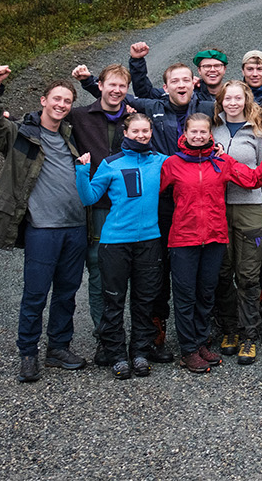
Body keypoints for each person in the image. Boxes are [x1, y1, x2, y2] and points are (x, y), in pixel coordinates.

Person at [0, 66, 90, 382]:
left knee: (67, 292)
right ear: (43, 100)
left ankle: (58, 348)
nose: (62, 105)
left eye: (67, 101)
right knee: (35, 294)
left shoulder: (70, 136)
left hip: (75, 227)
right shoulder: (21, 134)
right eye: (57, 99)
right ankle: (28, 354)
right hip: (43, 229)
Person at [159, 113, 262, 373]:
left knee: (205, 294)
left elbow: (253, 180)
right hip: (183, 239)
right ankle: (188, 350)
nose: (199, 136)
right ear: (186, 133)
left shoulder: (222, 161)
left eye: (204, 132)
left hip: (214, 237)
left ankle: (201, 343)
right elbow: (154, 194)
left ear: (210, 135)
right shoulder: (172, 164)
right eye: (194, 132)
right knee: (185, 297)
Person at [74, 112, 167, 379]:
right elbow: (88, 196)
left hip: (149, 240)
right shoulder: (110, 164)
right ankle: (116, 354)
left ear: (151, 132)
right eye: (135, 131)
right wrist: (82, 170)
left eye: (146, 131)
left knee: (144, 301)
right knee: (113, 301)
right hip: (115, 243)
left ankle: (139, 351)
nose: (141, 135)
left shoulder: (160, 161)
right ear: (125, 133)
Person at [66, 62, 131, 366]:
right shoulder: (80, 116)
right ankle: (104, 336)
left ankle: (134, 334)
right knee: (99, 272)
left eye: (122, 86)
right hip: (99, 207)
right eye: (112, 85)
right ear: (100, 85)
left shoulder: (133, 119)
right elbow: (48, 121)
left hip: (130, 208)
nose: (117, 90)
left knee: (134, 272)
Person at [207, 80, 262, 365]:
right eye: (227, 98)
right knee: (222, 272)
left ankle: (249, 334)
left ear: (245, 100)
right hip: (217, 207)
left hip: (249, 207)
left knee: (248, 275)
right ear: (221, 101)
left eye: (238, 98)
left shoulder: (257, 132)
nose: (233, 103)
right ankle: (229, 329)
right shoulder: (212, 129)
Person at [127, 42, 228, 102]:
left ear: (224, 69)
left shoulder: (234, 93)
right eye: (207, 66)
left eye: (217, 66)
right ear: (199, 70)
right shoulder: (186, 91)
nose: (212, 70)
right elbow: (145, 94)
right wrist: (137, 61)